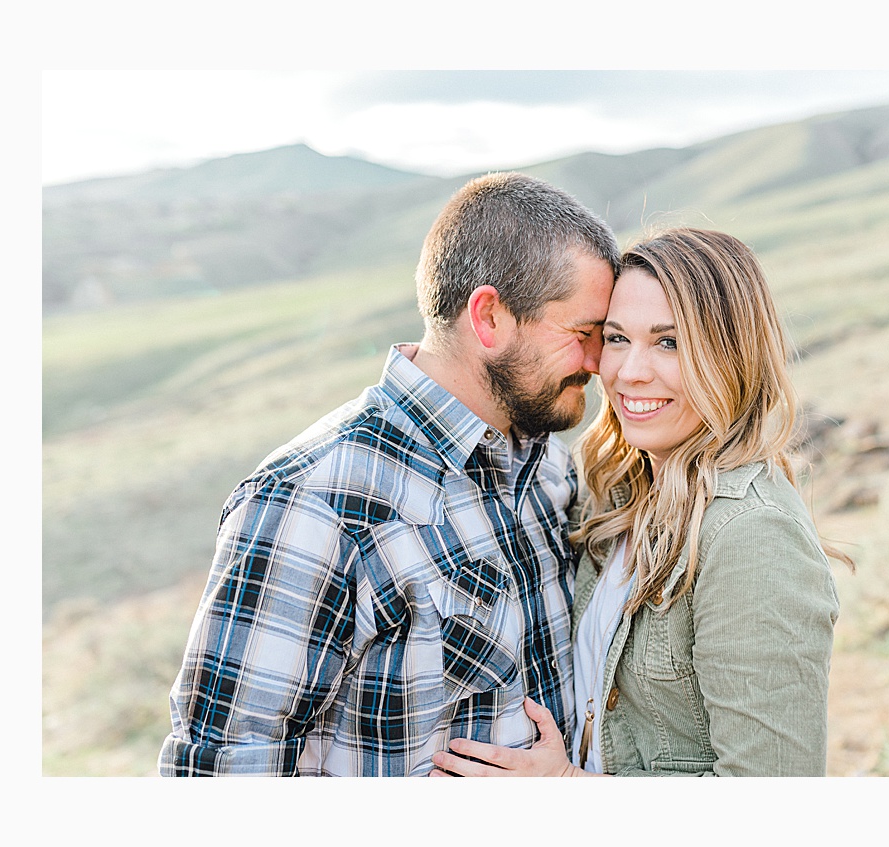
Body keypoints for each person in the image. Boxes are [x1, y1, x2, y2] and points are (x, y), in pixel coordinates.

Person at [158, 172, 619, 776]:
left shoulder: (549, 468)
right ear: (489, 319)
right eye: (583, 334)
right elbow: (217, 780)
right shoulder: (312, 503)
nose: (598, 362)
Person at [431, 227, 850, 778]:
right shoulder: (617, 493)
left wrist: (567, 789)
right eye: (616, 338)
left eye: (669, 342)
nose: (628, 372)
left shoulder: (752, 532)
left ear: (730, 357)